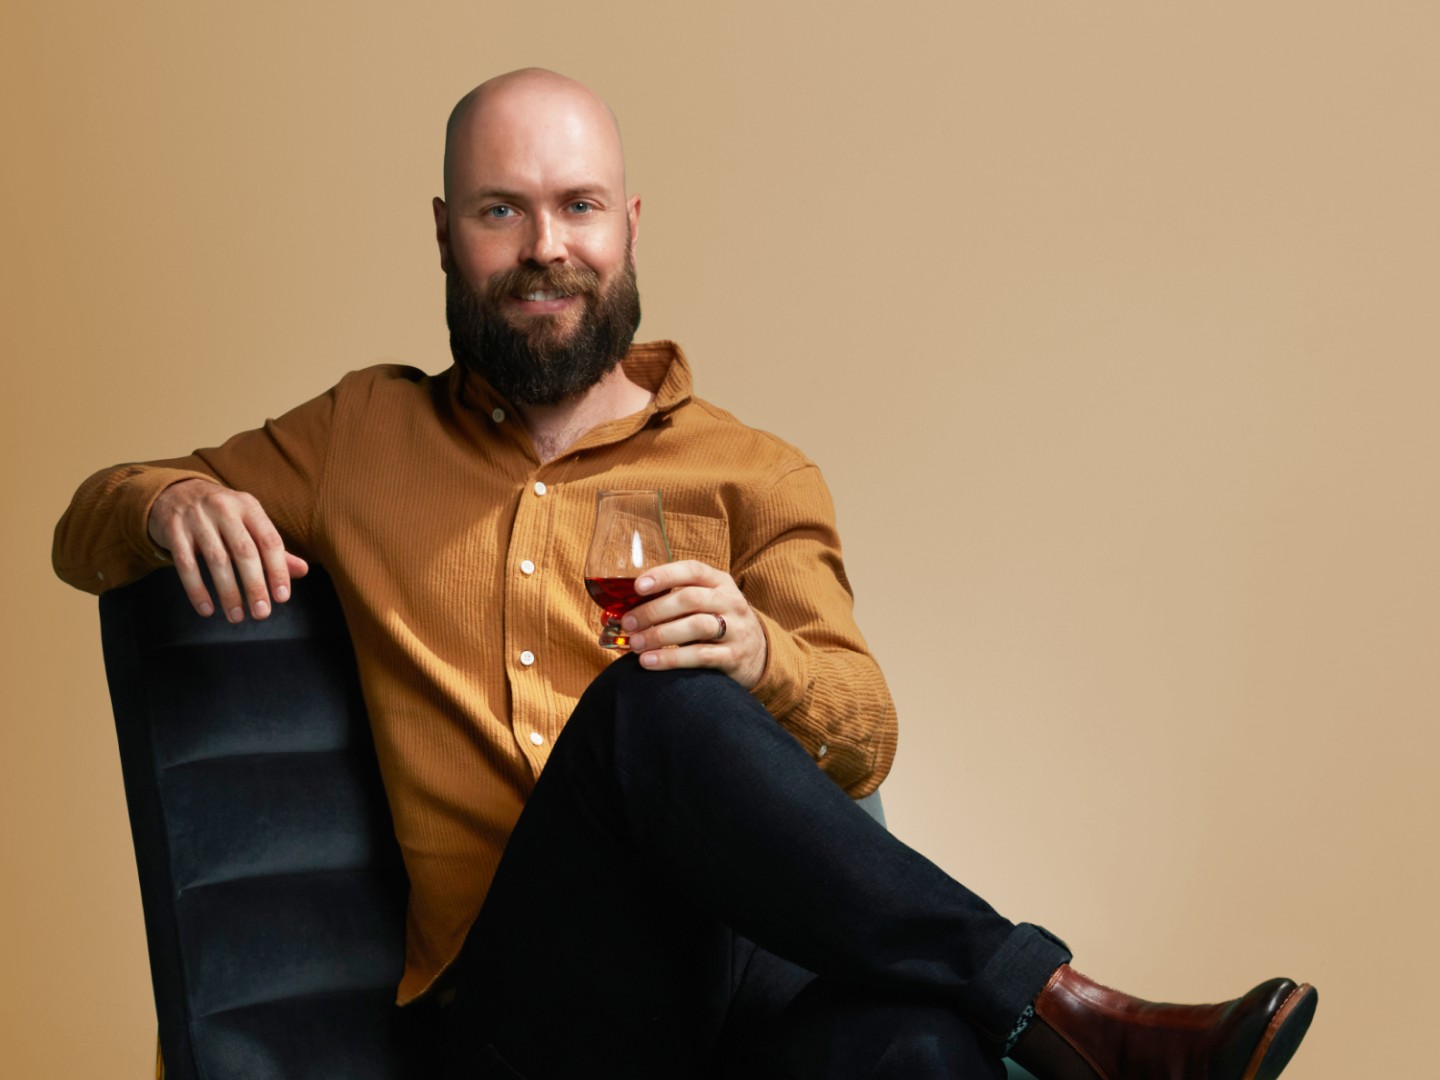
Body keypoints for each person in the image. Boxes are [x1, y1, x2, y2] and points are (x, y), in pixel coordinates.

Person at [53, 68, 1316, 1079]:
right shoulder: (358, 438)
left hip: (743, 1004)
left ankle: (1019, 1023)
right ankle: (1070, 1013)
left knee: (924, 1050)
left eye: (578, 206)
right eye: (502, 211)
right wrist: (173, 498)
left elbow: (866, 734)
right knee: (652, 712)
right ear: (446, 234)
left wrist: (763, 656)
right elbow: (87, 523)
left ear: (629, 225)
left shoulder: (755, 474)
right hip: (521, 1029)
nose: (546, 247)